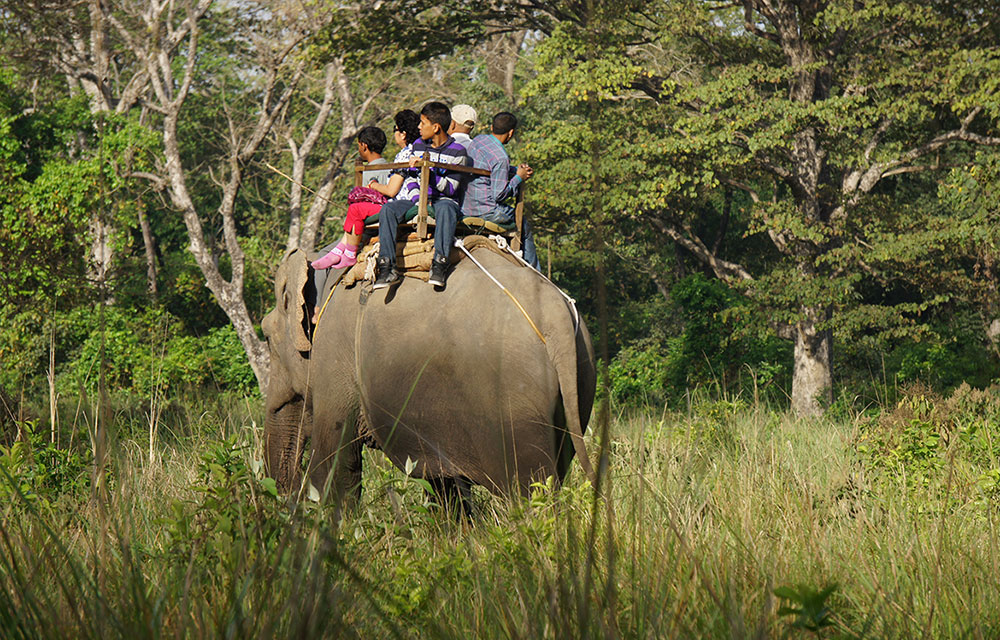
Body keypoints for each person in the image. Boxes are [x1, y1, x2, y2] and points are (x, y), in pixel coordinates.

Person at [373, 101, 469, 290]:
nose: (418, 127)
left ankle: (440, 262)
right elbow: (410, 179)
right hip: (417, 198)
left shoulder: (458, 151)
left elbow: (451, 188)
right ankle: (387, 265)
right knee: (388, 209)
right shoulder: (417, 146)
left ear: (435, 127)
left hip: (443, 200)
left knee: (446, 210)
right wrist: (418, 199)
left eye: (422, 123)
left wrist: (430, 173)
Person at [463, 112, 539, 269]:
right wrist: (518, 178)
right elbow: (499, 195)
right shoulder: (501, 158)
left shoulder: (478, 140)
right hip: (486, 210)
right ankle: (533, 270)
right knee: (523, 224)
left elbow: (487, 166)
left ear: (491, 127)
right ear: (510, 133)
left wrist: (514, 171)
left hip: (465, 205)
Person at [312, 125, 390, 270]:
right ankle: (339, 251)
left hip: (371, 219)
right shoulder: (390, 167)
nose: (358, 149)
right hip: (375, 213)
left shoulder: (368, 171)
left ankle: (345, 253)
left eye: (359, 145)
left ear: (364, 146)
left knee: (324, 250)